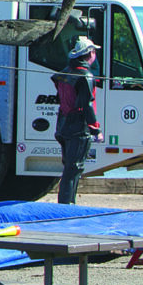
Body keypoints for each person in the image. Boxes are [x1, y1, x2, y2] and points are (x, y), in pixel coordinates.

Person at [52, 36, 102, 204]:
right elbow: (86, 105)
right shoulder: (85, 76)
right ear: (90, 54)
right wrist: (96, 129)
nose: (95, 55)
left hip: (62, 125)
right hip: (78, 127)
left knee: (69, 167)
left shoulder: (64, 73)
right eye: (94, 51)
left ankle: (66, 203)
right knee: (74, 169)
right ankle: (67, 205)